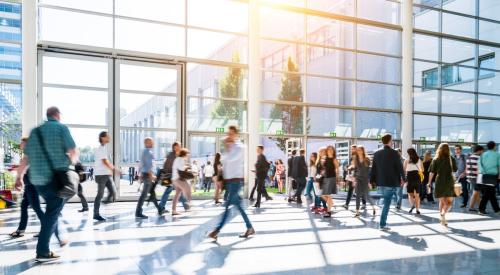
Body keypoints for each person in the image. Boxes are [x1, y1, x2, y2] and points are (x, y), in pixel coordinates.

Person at [15, 107, 77, 262]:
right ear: (57, 115)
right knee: (52, 213)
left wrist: (19, 177)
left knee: (53, 210)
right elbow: (73, 151)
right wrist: (73, 162)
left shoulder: (35, 132)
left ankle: (50, 241)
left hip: (37, 182)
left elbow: (26, 158)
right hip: (56, 179)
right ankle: (43, 251)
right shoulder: (62, 128)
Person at [10, 137, 65, 247]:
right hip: (29, 184)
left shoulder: (31, 153)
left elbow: (29, 167)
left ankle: (55, 234)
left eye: (22, 142)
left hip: (32, 184)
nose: (20, 144)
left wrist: (19, 173)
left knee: (37, 209)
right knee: (24, 205)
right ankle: (21, 229)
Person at [208, 126, 255, 240]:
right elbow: (224, 161)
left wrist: (227, 147)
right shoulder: (230, 147)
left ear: (236, 134)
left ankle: (216, 230)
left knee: (228, 206)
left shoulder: (240, 147)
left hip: (236, 181)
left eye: (231, 133)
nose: (229, 135)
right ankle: (250, 227)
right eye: (228, 133)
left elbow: (231, 159)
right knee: (238, 205)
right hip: (230, 181)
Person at [370, 134, 405, 231]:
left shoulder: (377, 153)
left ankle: (382, 222)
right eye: (392, 140)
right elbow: (400, 167)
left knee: (385, 201)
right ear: (390, 141)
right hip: (391, 182)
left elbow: (373, 169)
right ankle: (382, 224)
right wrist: (404, 178)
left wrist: (371, 180)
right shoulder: (394, 153)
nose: (393, 141)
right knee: (387, 203)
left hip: (380, 182)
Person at [428, 143, 458, 226]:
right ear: (448, 149)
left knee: (442, 201)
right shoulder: (451, 159)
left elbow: (431, 172)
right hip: (449, 181)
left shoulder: (436, 159)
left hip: (439, 181)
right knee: (449, 202)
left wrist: (429, 182)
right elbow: (455, 170)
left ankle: (442, 217)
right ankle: (443, 214)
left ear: (439, 149)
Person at [93, 131, 118, 221]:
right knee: (100, 194)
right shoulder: (101, 149)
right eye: (107, 136)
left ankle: (104, 202)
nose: (109, 137)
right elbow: (104, 161)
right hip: (101, 175)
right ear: (103, 138)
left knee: (113, 192)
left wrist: (110, 171)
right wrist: (114, 169)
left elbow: (106, 162)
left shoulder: (104, 148)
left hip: (106, 174)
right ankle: (96, 214)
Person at [135, 138, 163, 219]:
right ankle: (138, 212)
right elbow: (149, 166)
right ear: (146, 143)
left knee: (152, 193)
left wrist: (140, 175)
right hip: (148, 176)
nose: (153, 143)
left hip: (145, 175)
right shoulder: (148, 152)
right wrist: (152, 176)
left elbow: (141, 164)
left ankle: (160, 209)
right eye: (151, 142)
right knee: (144, 195)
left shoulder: (144, 151)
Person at [158, 142, 189, 213]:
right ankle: (186, 205)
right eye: (178, 146)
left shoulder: (177, 155)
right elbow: (168, 166)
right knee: (177, 190)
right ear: (174, 147)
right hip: (169, 176)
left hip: (172, 176)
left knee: (173, 190)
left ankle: (161, 207)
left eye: (180, 146)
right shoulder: (171, 155)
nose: (180, 147)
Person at [352, 145, 376, 217]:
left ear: (363, 151)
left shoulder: (367, 159)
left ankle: (373, 208)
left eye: (360, 150)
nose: (359, 151)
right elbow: (355, 170)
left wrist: (369, 182)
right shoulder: (355, 159)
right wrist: (354, 179)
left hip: (365, 179)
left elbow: (369, 171)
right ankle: (357, 212)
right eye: (358, 150)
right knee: (358, 196)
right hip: (358, 179)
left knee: (367, 196)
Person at [477, 141, 500, 215]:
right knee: (488, 193)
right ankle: (481, 209)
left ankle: (496, 210)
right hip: (493, 176)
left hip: (484, 175)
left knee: (491, 193)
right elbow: (499, 166)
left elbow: (479, 165)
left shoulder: (483, 155)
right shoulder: (497, 154)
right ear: (494, 147)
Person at [171, 148, 193, 215]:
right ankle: (189, 203)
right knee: (188, 188)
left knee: (177, 194)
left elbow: (178, 167)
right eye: (187, 154)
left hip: (174, 179)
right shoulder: (181, 159)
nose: (188, 156)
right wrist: (187, 167)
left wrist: (185, 166)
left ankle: (173, 210)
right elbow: (181, 169)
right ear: (184, 154)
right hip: (178, 179)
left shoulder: (177, 159)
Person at [343, 145, 366, 210]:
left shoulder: (359, 157)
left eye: (353, 149)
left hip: (359, 176)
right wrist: (347, 168)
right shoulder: (351, 158)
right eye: (351, 149)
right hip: (352, 176)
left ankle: (364, 204)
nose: (352, 150)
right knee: (350, 190)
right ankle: (347, 204)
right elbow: (351, 166)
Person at [321, 145, 340, 218]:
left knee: (328, 195)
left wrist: (337, 178)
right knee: (323, 195)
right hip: (325, 178)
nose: (330, 150)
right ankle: (331, 204)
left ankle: (329, 212)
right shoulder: (325, 158)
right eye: (328, 149)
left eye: (331, 149)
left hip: (332, 178)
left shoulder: (334, 159)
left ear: (333, 151)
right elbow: (324, 168)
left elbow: (337, 169)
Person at [404, 148, 423, 215]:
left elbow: (404, 170)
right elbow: (422, 170)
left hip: (409, 177)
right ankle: (417, 209)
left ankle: (412, 205)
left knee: (410, 194)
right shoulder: (419, 160)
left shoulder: (407, 160)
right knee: (417, 195)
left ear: (409, 153)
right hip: (417, 177)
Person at [467, 145, 484, 212]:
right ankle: (471, 207)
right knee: (476, 192)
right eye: (482, 150)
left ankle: (480, 206)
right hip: (477, 177)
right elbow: (480, 169)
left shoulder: (469, 157)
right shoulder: (479, 157)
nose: (482, 152)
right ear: (479, 150)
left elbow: (467, 167)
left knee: (477, 192)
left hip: (470, 176)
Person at [313, 147, 328, 214]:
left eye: (322, 151)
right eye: (320, 151)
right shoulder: (318, 160)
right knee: (320, 194)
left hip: (323, 179)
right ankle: (323, 207)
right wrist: (315, 176)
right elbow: (318, 171)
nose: (321, 153)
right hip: (319, 179)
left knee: (321, 195)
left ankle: (323, 207)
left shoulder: (325, 160)